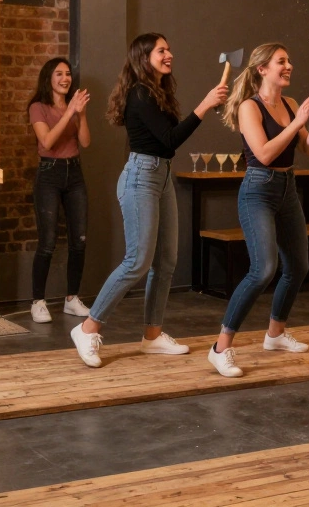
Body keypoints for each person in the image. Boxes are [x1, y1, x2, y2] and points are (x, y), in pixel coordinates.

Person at [69, 33, 228, 368]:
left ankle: (152, 336)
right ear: (144, 57)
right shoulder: (140, 94)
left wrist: (204, 107)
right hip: (141, 176)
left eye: (169, 48)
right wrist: (205, 105)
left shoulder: (158, 93)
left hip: (162, 175)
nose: (169, 54)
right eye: (161, 50)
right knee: (137, 261)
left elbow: (168, 146)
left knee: (166, 261)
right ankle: (87, 327)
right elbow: (170, 140)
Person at [208, 43, 309, 378]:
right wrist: (298, 123)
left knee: (298, 266)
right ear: (262, 69)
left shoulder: (291, 104)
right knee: (263, 269)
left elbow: (307, 150)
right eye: (282, 61)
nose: (289, 65)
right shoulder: (251, 107)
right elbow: (263, 154)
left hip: (287, 187)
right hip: (258, 190)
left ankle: (275, 334)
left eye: (289, 60)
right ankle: (221, 347)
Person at [27, 57, 91, 323]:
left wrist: (82, 114)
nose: (65, 78)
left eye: (67, 74)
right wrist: (69, 112)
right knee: (48, 242)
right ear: (48, 79)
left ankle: (71, 299)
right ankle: (38, 302)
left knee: (80, 240)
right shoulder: (38, 107)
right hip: (50, 174)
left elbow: (85, 142)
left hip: (74, 173)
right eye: (59, 74)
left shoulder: (74, 108)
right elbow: (48, 141)